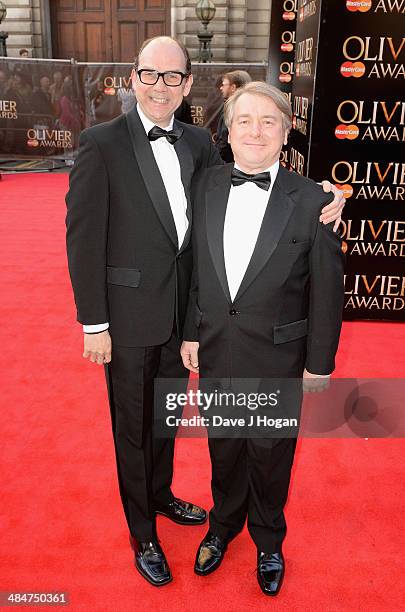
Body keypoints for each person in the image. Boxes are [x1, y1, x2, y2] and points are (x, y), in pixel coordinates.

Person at [66, 36, 344, 588]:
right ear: (133, 77)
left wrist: (327, 194)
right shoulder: (101, 143)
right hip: (127, 320)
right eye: (150, 74)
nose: (161, 85)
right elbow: (82, 238)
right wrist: (93, 322)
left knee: (171, 422)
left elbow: (231, 227)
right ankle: (143, 531)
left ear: (189, 85)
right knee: (135, 430)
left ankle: (168, 497)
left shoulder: (199, 146)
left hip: (190, 327)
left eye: (174, 77)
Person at [181, 81, 345, 596]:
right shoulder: (204, 184)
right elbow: (194, 269)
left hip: (280, 353)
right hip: (216, 345)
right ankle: (223, 525)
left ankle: (269, 539)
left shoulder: (313, 199)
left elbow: (327, 288)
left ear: (286, 129)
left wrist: (319, 363)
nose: (255, 131)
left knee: (271, 452)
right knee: (225, 446)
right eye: (245, 120)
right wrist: (191, 331)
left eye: (268, 121)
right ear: (228, 130)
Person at [215, 70, 251, 162]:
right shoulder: (249, 107)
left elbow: (223, 141)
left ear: (233, 87)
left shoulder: (233, 110)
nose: (221, 88)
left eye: (224, 84)